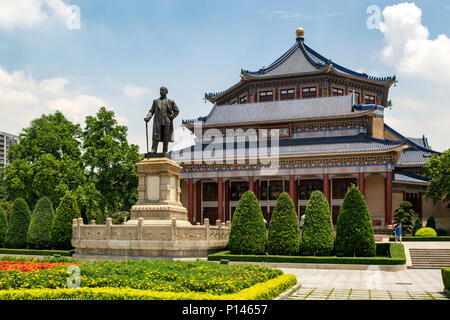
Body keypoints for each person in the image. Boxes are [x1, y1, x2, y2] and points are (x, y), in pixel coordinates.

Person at [144, 86, 179, 154]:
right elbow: (151, 111)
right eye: (160, 90)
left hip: (167, 121)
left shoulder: (170, 101)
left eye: (163, 90)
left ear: (166, 92)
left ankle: (165, 151)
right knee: (156, 135)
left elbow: (176, 110)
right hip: (158, 121)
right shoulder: (156, 101)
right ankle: (154, 150)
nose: (161, 91)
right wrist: (148, 117)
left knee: (166, 137)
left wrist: (172, 116)